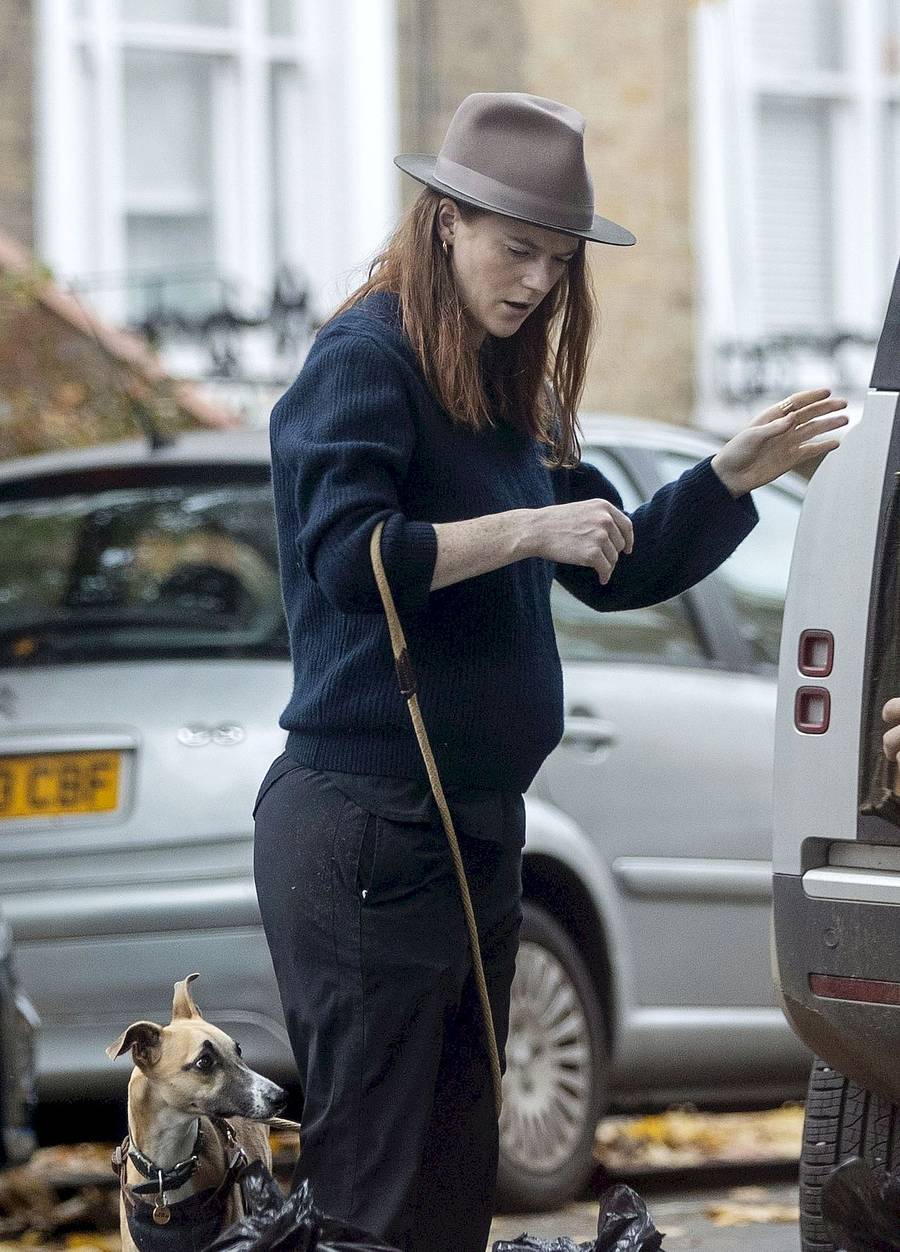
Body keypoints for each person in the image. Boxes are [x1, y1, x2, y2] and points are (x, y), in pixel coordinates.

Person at [252, 92, 848, 1252]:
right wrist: (530, 532)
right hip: (369, 827)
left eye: (558, 262)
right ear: (444, 226)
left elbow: (612, 565)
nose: (535, 282)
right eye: (515, 249)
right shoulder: (365, 358)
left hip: (471, 829)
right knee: (375, 1199)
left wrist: (726, 477)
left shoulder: (493, 380)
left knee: (450, 1191)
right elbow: (344, 559)